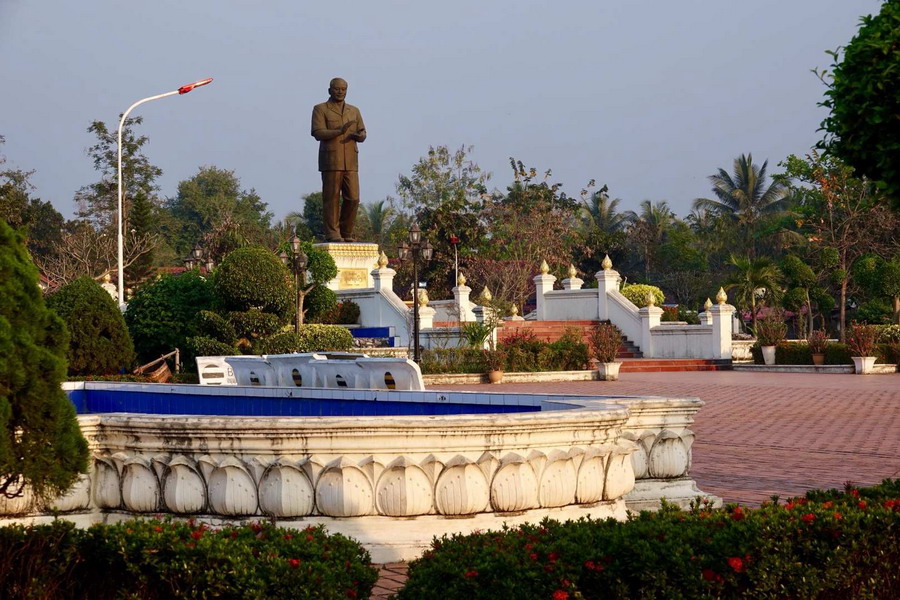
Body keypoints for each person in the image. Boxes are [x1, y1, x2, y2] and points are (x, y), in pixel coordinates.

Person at [310, 77, 366, 242]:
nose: (340, 92)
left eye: (343, 89)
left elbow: (363, 132)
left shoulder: (354, 110)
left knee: (353, 198)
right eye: (337, 89)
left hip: (351, 160)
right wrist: (339, 131)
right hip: (331, 159)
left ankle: (346, 231)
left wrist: (360, 136)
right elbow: (317, 132)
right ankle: (332, 233)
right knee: (332, 198)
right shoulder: (320, 109)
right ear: (329, 90)